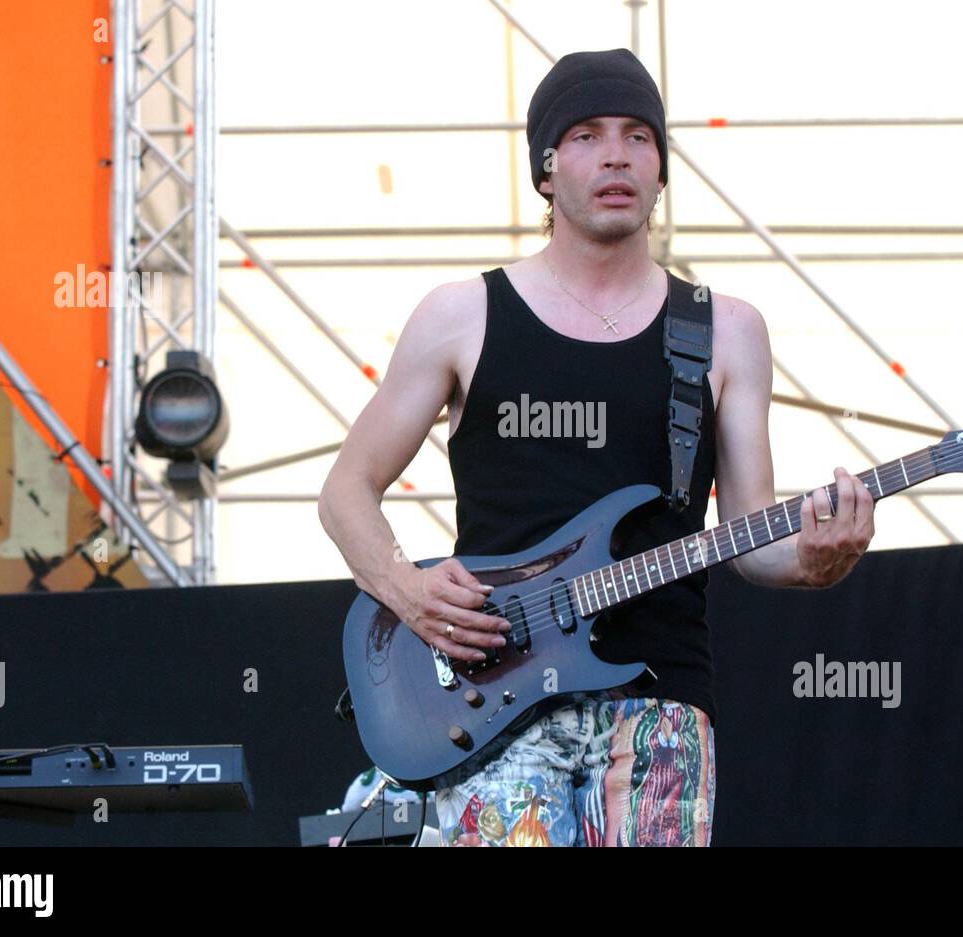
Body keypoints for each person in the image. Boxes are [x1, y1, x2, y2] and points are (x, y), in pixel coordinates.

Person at [318, 48, 875, 846]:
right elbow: (346, 491)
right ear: (545, 170)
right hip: (495, 697)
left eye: (638, 137)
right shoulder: (461, 314)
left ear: (660, 169)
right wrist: (409, 591)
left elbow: (755, 539)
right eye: (585, 135)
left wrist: (823, 557)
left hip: (661, 701)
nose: (616, 153)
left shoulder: (726, 331)